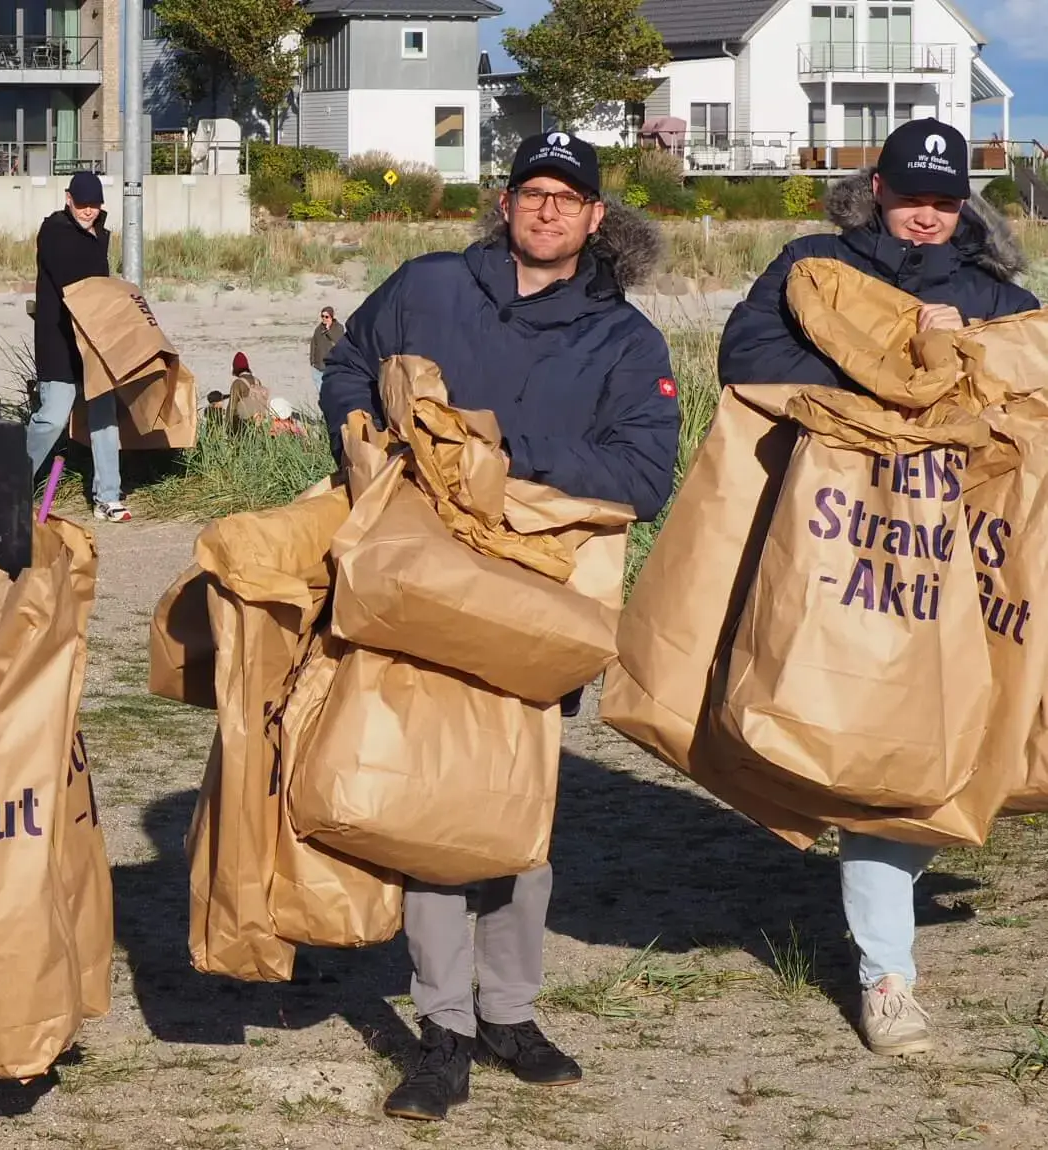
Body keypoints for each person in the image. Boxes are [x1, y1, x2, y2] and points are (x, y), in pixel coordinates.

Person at [320, 131, 678, 1122]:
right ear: (505, 201)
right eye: (533, 192)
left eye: (568, 197)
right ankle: (443, 1029)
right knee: (433, 808)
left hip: (534, 605)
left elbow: (644, 473)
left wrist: (500, 450)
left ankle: (508, 1012)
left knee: (517, 813)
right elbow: (349, 366)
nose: (548, 209)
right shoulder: (429, 287)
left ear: (597, 217)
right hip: (417, 589)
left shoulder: (624, 340)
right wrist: (360, 442)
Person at [718, 118, 1037, 1059]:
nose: (927, 216)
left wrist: (966, 352)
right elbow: (747, 362)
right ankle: (886, 978)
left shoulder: (993, 294)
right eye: (911, 197)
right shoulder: (813, 263)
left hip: (950, 556)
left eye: (944, 201)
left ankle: (882, 951)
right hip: (832, 545)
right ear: (876, 190)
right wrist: (885, 371)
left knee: (916, 741)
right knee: (876, 744)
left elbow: (1025, 409)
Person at [24, 172, 128, 522]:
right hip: (60, 342)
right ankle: (11, 482)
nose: (88, 211)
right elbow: (74, 281)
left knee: (104, 418)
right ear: (68, 199)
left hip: (95, 342)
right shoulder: (53, 232)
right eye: (82, 204)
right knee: (52, 418)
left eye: (94, 205)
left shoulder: (99, 234)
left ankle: (108, 496)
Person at [309, 305, 339, 391]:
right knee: (320, 388)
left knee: (331, 388)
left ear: (331, 317)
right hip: (318, 365)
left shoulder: (338, 328)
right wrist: (312, 360)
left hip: (331, 364)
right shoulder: (318, 329)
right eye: (322, 316)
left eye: (326, 317)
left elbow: (337, 340)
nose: (324, 319)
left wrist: (328, 330)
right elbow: (313, 344)